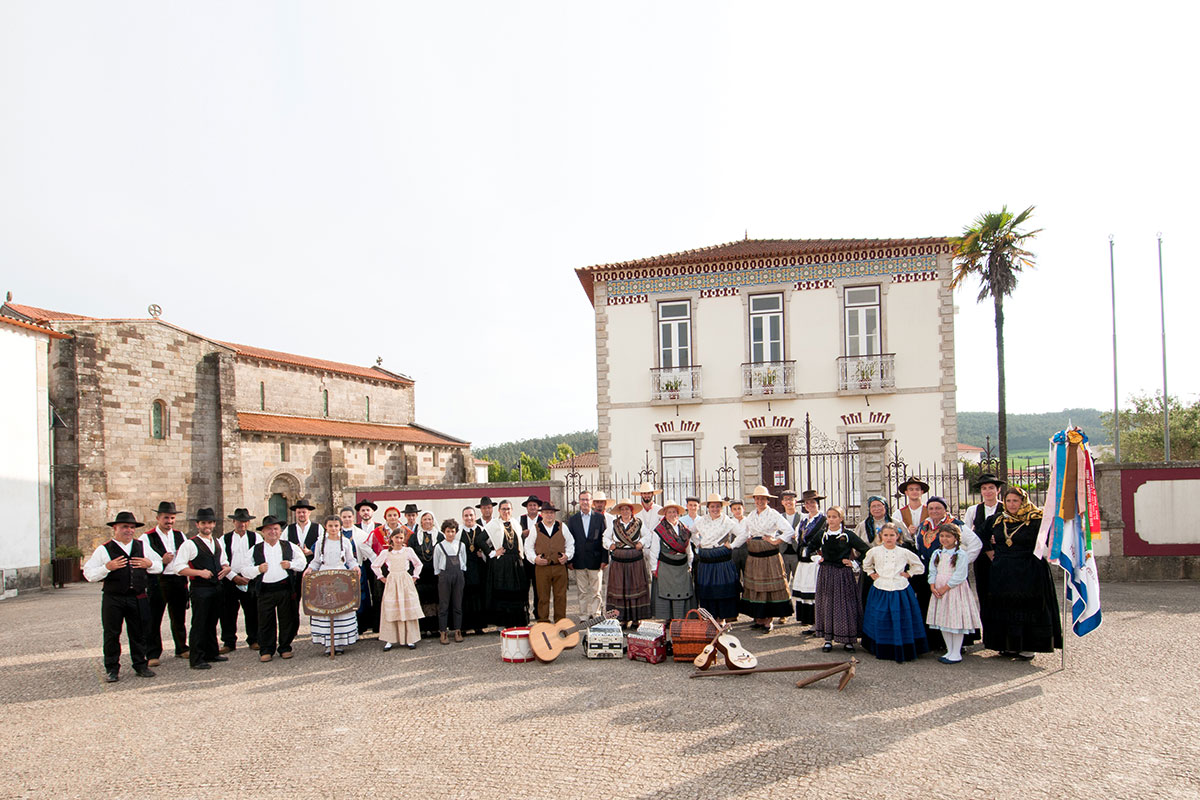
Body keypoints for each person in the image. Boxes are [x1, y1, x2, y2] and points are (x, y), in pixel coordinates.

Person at [983, 487, 1063, 660]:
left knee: (1027, 607)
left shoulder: (1036, 519)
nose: (1011, 504)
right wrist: (991, 552)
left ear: (1023, 501)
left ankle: (1029, 646)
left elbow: (1052, 537)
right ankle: (1009, 646)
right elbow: (979, 536)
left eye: (1015, 501)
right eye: (1008, 501)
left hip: (1029, 570)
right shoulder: (997, 520)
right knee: (1006, 607)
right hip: (1003, 571)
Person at [83, 511, 160, 682]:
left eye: (132, 527)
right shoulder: (104, 549)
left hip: (137, 597)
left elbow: (159, 565)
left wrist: (149, 563)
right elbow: (89, 574)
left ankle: (140, 665)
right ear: (115, 528)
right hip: (114, 598)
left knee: (138, 633)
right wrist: (107, 568)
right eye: (125, 527)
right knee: (111, 634)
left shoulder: (142, 546)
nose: (129, 530)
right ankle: (112, 669)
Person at [913, 496, 980, 651]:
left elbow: (976, 544)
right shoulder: (924, 525)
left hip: (951, 576)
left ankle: (958, 644)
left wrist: (958, 563)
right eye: (931, 508)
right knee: (933, 607)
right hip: (931, 573)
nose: (934, 511)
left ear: (945, 509)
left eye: (938, 508)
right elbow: (918, 545)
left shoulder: (956, 524)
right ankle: (936, 642)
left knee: (954, 609)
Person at [239, 514, 306, 662]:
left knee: (287, 619)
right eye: (269, 529)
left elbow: (302, 562)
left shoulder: (289, 546)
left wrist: (291, 565)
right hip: (265, 590)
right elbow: (244, 569)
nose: (273, 532)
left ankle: (285, 647)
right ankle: (266, 649)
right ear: (263, 532)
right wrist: (257, 569)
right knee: (265, 620)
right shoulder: (256, 549)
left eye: (275, 529)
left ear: (280, 531)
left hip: (284, 588)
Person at [860, 522, 928, 663]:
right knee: (880, 617)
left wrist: (909, 573)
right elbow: (866, 564)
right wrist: (871, 573)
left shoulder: (904, 552)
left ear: (898, 536)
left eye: (892, 535)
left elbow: (919, 566)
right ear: (881, 536)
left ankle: (902, 646)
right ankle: (881, 647)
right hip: (880, 588)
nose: (889, 538)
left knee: (901, 618)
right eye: (886, 535)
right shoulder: (874, 551)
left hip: (900, 589)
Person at [175, 508, 231, 670]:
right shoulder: (189, 544)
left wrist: (226, 568)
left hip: (216, 587)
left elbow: (224, 560)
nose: (207, 526)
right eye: (203, 523)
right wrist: (199, 572)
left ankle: (211, 652)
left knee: (212, 621)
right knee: (199, 623)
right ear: (197, 525)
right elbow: (178, 568)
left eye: (210, 522)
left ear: (214, 524)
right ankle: (197, 658)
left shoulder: (217, 542)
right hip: (200, 588)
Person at [735, 486, 794, 631]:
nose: (760, 501)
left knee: (770, 587)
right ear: (754, 500)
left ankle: (769, 620)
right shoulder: (750, 516)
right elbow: (744, 533)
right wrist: (733, 545)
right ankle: (759, 618)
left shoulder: (773, 514)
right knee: (756, 587)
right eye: (757, 498)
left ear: (767, 500)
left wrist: (776, 541)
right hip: (754, 558)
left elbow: (789, 531)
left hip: (770, 557)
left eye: (763, 498)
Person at [813, 507, 870, 653]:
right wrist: (817, 558)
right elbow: (807, 548)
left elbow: (866, 550)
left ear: (841, 518)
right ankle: (827, 639)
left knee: (845, 605)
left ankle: (848, 640)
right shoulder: (822, 534)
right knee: (827, 604)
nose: (831, 520)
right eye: (829, 517)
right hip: (826, 573)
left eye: (834, 517)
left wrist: (854, 563)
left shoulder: (848, 535)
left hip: (843, 574)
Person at [927, 523, 983, 665]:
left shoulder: (960, 555)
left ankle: (956, 651)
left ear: (956, 538)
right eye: (942, 536)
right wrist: (933, 586)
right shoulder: (937, 553)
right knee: (943, 621)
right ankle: (949, 649)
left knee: (954, 620)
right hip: (939, 589)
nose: (945, 539)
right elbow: (932, 571)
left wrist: (945, 588)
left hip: (954, 590)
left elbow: (960, 575)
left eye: (948, 536)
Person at [142, 500, 188, 665]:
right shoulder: (147, 537)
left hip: (177, 579)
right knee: (154, 617)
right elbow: (146, 559)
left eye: (172, 518)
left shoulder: (180, 535)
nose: (169, 521)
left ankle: (181, 647)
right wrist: (162, 561)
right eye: (166, 518)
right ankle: (153, 653)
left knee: (178, 616)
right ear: (158, 518)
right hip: (158, 580)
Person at [305, 515, 360, 654]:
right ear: (326, 527)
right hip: (324, 577)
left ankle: (340, 643)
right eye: (330, 526)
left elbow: (350, 559)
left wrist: (355, 567)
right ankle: (328, 644)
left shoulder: (346, 542)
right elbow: (316, 561)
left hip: (340, 578)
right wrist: (310, 569)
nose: (334, 529)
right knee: (326, 609)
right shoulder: (320, 542)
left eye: (336, 526)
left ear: (340, 526)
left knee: (341, 609)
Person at [371, 530, 424, 651]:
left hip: (405, 581)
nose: (399, 540)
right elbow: (375, 565)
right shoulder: (386, 552)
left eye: (401, 538)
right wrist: (381, 577)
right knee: (392, 608)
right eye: (396, 537)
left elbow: (418, 564)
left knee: (407, 607)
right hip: (392, 581)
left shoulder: (408, 551)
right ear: (391, 538)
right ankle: (390, 639)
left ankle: (410, 638)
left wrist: (415, 576)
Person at [962, 473, 1004, 624]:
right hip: (981, 556)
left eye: (991, 488)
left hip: (1002, 555)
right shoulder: (973, 510)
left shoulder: (1006, 508)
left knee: (1002, 592)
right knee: (984, 591)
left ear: (998, 490)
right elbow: (965, 533)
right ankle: (987, 628)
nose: (988, 491)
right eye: (984, 488)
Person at [691, 494, 740, 622]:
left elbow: (743, 533)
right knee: (708, 591)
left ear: (722, 508)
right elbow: (691, 532)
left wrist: (733, 545)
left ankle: (722, 619)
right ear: (708, 507)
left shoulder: (728, 521)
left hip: (722, 560)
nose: (715, 509)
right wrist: (698, 543)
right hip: (706, 561)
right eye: (712, 506)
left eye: (718, 506)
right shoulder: (700, 521)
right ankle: (711, 619)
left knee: (722, 590)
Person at [604, 498, 652, 627]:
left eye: (627, 509)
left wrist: (641, 543)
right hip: (618, 561)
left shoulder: (639, 523)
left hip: (635, 560)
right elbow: (605, 537)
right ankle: (622, 618)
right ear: (619, 511)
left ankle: (636, 618)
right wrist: (610, 545)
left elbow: (648, 536)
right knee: (620, 590)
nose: (625, 511)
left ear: (631, 511)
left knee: (636, 588)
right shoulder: (614, 524)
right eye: (622, 509)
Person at [484, 500, 530, 628]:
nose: (506, 511)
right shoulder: (493, 525)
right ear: (498, 511)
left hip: (516, 562)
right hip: (502, 564)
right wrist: (492, 553)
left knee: (517, 592)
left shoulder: (516, 524)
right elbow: (480, 540)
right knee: (502, 593)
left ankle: (518, 622)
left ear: (512, 510)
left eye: (508, 509)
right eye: (503, 509)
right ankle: (502, 623)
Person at [525, 503, 573, 623]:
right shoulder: (536, 528)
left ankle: (560, 622)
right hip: (542, 568)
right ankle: (543, 622)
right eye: (546, 512)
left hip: (559, 567)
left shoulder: (562, 526)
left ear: (554, 514)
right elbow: (528, 547)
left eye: (551, 513)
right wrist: (534, 559)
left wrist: (567, 556)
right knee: (543, 597)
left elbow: (570, 544)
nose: (549, 515)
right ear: (542, 514)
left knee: (560, 596)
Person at [647, 502, 696, 620]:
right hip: (665, 566)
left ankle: (681, 618)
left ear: (678, 514)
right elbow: (654, 550)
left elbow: (688, 549)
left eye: (674, 512)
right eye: (669, 512)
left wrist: (689, 563)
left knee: (682, 592)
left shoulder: (684, 529)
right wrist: (654, 567)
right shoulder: (659, 530)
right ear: (665, 514)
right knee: (665, 592)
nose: (672, 514)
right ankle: (666, 619)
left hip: (682, 566)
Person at [219, 508, 258, 654]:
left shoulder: (256, 538)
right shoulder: (224, 539)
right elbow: (222, 560)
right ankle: (229, 642)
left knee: (252, 610)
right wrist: (233, 577)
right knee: (228, 612)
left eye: (245, 521)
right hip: (231, 578)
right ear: (234, 522)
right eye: (240, 521)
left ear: (248, 522)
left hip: (249, 579)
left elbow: (259, 558)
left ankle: (254, 639)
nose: (242, 524)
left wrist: (249, 576)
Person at [568, 491, 608, 621]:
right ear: (579, 502)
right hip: (579, 560)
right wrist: (570, 560)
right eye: (582, 500)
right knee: (582, 591)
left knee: (596, 591)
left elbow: (604, 539)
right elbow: (570, 541)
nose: (585, 502)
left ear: (592, 502)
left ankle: (596, 614)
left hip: (596, 560)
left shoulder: (599, 518)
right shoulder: (573, 520)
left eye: (587, 500)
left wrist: (604, 559)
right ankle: (584, 615)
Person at [791, 490, 827, 632]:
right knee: (805, 589)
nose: (809, 505)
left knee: (815, 591)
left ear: (817, 503)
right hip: (804, 559)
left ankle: (818, 623)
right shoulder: (804, 520)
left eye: (812, 502)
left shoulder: (823, 520)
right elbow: (796, 536)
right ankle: (809, 621)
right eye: (807, 503)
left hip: (816, 559)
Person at [342, 505, 378, 637]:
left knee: (359, 599)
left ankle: (359, 627)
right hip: (340, 571)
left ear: (353, 518)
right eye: (344, 517)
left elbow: (369, 553)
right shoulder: (335, 532)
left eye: (349, 517)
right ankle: (344, 630)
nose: (347, 519)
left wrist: (381, 565)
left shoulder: (360, 534)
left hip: (357, 569)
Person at [283, 498, 322, 620]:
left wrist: (310, 551)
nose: (301, 514)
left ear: (309, 513)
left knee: (314, 599)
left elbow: (323, 546)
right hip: (295, 570)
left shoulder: (318, 528)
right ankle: (293, 628)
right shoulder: (288, 529)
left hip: (312, 568)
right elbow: (283, 546)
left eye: (304, 512)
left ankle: (315, 626)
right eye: (299, 512)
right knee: (293, 600)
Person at [854, 495, 895, 611]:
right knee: (868, 596)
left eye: (879, 506)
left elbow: (906, 541)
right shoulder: (862, 526)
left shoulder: (895, 523)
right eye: (873, 506)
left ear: (885, 507)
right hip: (870, 567)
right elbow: (856, 547)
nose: (876, 509)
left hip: (891, 566)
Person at [407, 511, 442, 638]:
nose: (427, 521)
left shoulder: (440, 536)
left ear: (433, 521)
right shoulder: (413, 537)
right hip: (419, 576)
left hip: (435, 575)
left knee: (434, 601)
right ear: (421, 522)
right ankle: (421, 629)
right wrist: (412, 575)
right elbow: (409, 557)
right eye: (425, 519)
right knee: (421, 601)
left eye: (430, 519)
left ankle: (434, 629)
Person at [433, 519, 468, 644]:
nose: (450, 534)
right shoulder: (439, 546)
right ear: (444, 532)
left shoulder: (461, 545)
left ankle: (458, 630)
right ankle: (443, 632)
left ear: (456, 532)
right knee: (444, 605)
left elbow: (463, 561)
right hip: (444, 576)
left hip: (458, 575)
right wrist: (440, 575)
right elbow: (436, 564)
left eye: (453, 531)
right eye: (448, 531)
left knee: (457, 604)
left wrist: (461, 572)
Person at [459, 506, 493, 635]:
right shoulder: (458, 532)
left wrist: (483, 555)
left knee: (479, 596)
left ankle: (479, 625)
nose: (469, 518)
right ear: (463, 517)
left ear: (475, 516)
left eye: (471, 515)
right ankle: (465, 626)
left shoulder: (482, 530)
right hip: (465, 569)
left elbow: (489, 547)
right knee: (465, 597)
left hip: (479, 568)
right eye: (466, 515)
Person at [519, 495, 543, 614]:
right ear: (527, 507)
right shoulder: (520, 519)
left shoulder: (543, 519)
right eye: (530, 505)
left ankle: (538, 612)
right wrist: (522, 534)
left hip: (538, 558)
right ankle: (524, 611)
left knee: (539, 587)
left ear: (538, 507)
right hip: (524, 558)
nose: (532, 507)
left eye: (534, 505)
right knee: (524, 587)